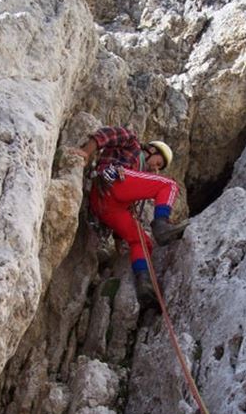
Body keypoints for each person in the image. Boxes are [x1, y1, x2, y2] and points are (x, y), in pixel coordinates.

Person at [72, 126, 188, 306]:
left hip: (104, 205)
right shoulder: (132, 143)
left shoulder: (140, 175)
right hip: (114, 181)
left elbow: (127, 213)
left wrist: (119, 242)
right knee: (169, 186)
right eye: (158, 163)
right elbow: (106, 135)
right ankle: (162, 224)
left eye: (159, 168)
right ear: (151, 150)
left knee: (142, 241)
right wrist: (86, 152)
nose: (156, 169)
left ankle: (144, 284)